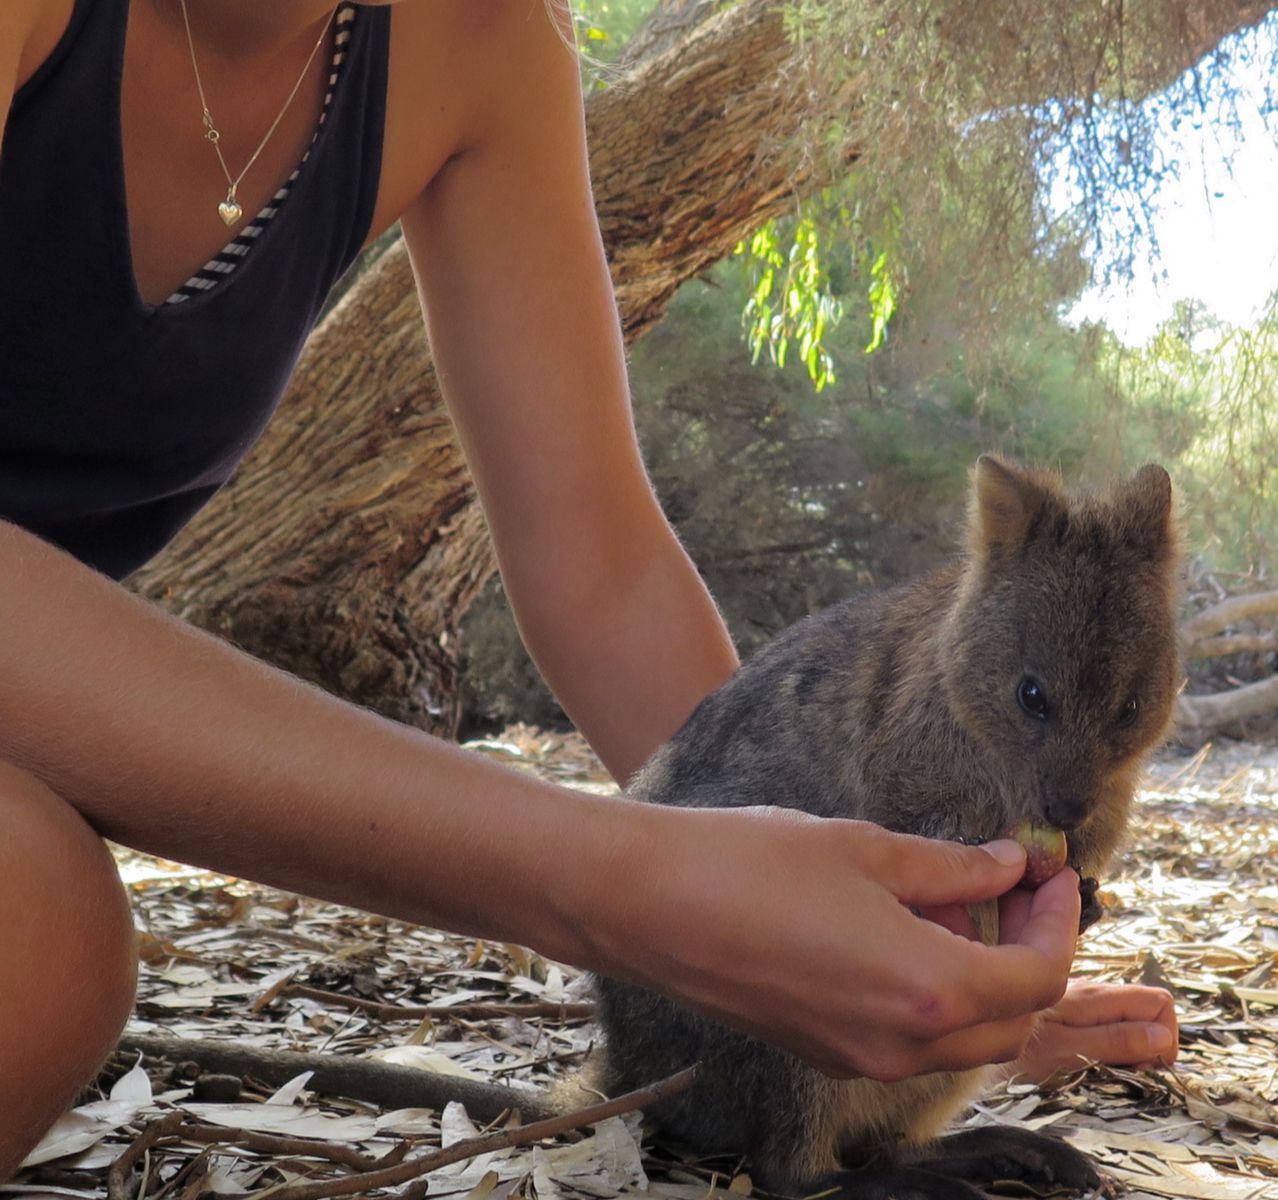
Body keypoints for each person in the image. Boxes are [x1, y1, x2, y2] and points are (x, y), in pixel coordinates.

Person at [0, 0, 1177, 1173]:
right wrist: (617, 882)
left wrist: (841, 937)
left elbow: (596, 562)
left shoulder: (479, 36)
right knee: (37, 940)